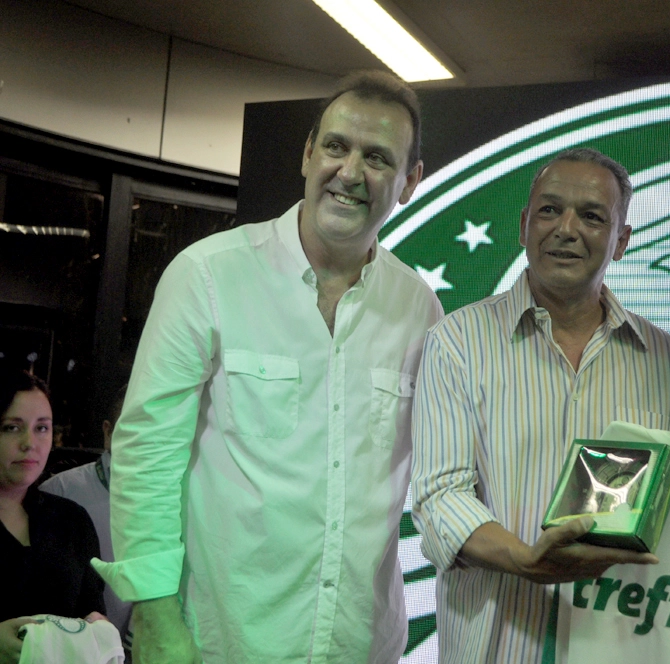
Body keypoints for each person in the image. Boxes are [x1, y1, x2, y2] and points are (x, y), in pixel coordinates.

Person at [92, 71, 443, 664]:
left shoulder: (419, 308)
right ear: (307, 154)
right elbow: (148, 449)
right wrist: (152, 612)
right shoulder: (208, 275)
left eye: (378, 157)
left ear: (411, 181)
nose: (351, 172)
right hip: (220, 643)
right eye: (336, 146)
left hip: (359, 645)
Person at [411, 147, 670, 663]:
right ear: (525, 225)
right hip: (498, 645)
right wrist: (528, 561)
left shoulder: (665, 360)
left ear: (621, 242)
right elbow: (440, 496)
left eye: (592, 216)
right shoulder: (456, 341)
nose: (566, 229)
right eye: (550, 211)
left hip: (626, 646)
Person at [0, 368, 106, 664]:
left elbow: (93, 611)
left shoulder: (72, 520)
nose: (29, 442)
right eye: (11, 427)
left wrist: (98, 634)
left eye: (41, 428)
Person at [41, 385, 132, 638]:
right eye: (131, 428)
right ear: (108, 433)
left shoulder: (183, 501)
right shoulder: (58, 494)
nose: (142, 440)